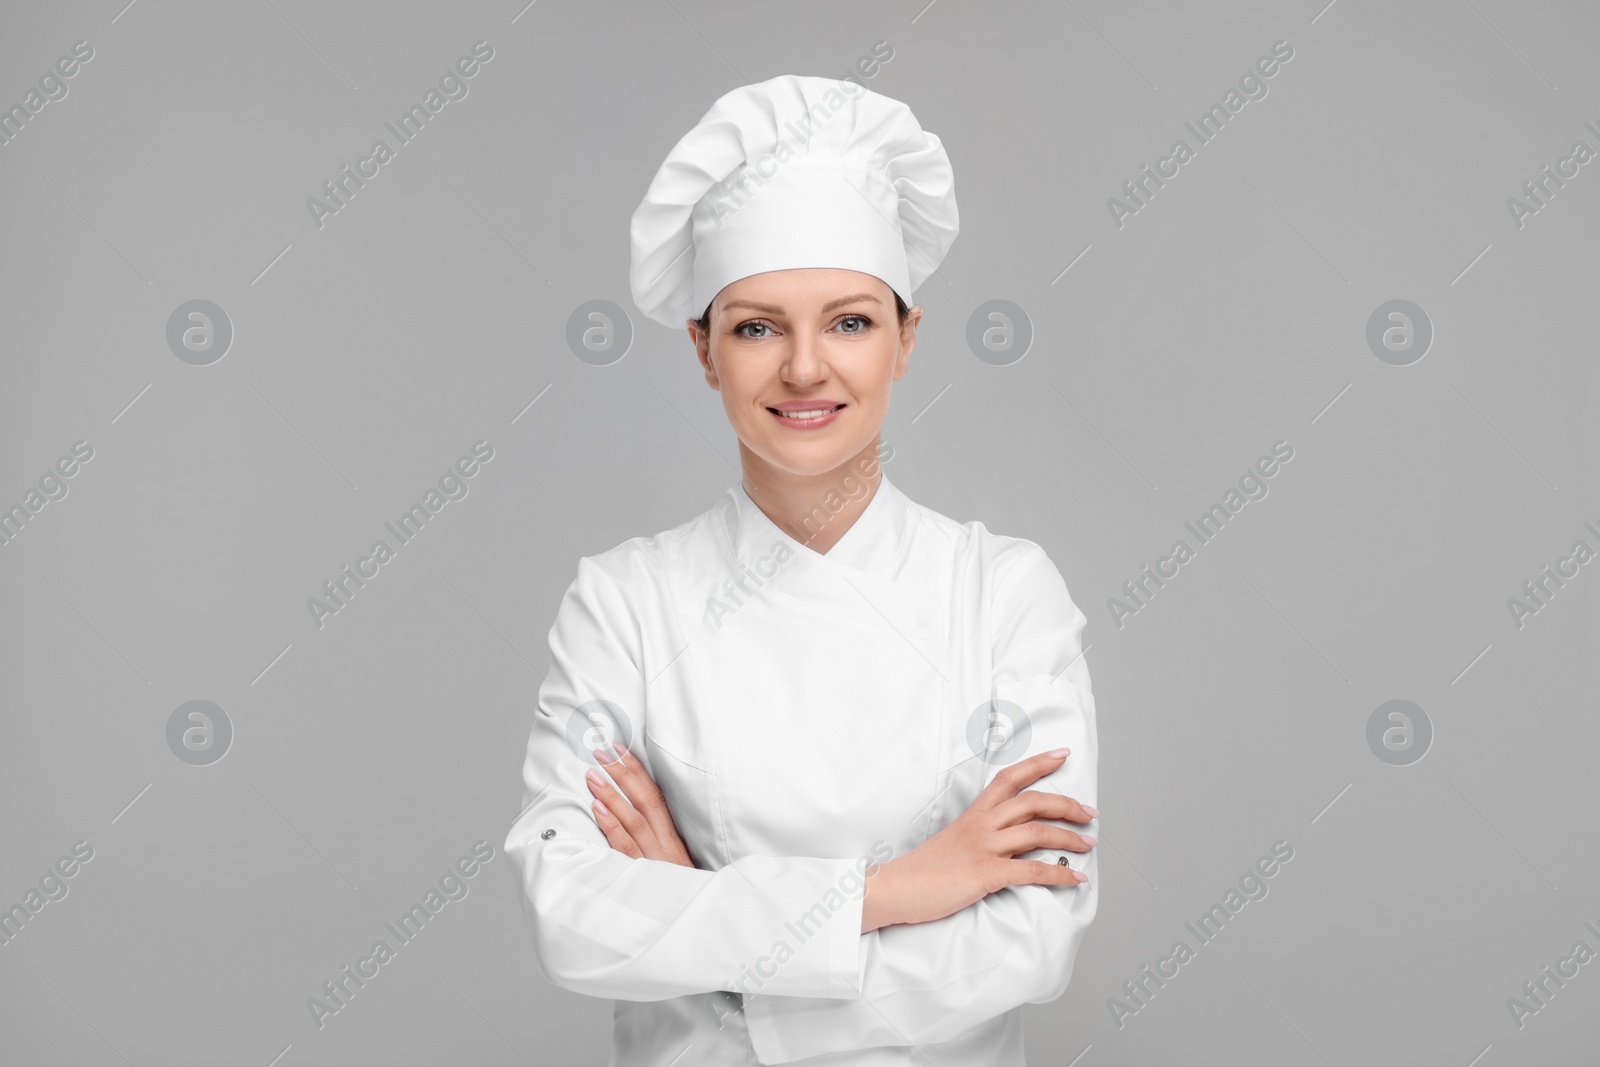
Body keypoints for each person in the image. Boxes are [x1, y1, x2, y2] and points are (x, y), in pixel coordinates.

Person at [505, 73, 1100, 1066]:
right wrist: (896, 888)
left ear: (907, 338)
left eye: (851, 321)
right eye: (756, 326)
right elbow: (570, 910)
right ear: (702, 348)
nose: (806, 369)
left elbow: (1028, 942)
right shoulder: (625, 602)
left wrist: (718, 954)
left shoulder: (1001, 593)